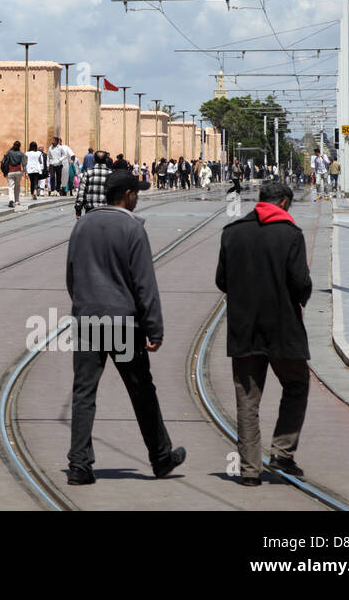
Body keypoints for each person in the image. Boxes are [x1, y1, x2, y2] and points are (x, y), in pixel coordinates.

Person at [65, 169, 186, 485]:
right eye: (137, 193)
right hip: (123, 323)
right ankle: (161, 458)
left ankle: (79, 465)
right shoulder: (133, 228)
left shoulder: (82, 226)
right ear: (128, 195)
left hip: (88, 319)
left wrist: (84, 305)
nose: (139, 198)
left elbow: (71, 275)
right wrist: (154, 328)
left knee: (84, 392)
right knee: (141, 390)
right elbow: (144, 284)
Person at [216, 179, 311, 486]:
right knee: (296, 384)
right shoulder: (291, 235)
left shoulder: (232, 233)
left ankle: (249, 471)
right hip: (283, 329)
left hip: (244, 330)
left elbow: (222, 280)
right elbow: (300, 282)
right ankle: (282, 453)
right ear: (283, 203)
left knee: (247, 399)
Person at [73, 151, 112, 217]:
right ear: (106, 160)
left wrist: (78, 209)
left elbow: (81, 191)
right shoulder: (111, 174)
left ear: (94, 160)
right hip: (106, 209)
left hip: (91, 209)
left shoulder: (88, 172)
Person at [1, 141, 25, 208]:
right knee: (17, 187)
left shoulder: (9, 152)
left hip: (10, 171)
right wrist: (25, 172)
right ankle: (17, 201)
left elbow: (5, 161)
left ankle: (11, 200)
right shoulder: (21, 154)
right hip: (18, 171)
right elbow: (24, 164)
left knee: (11, 187)